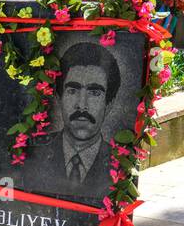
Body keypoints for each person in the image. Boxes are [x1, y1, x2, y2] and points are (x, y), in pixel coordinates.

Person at [25, 39, 121, 203]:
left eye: (94, 93)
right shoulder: (32, 152)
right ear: (58, 97)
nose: (82, 106)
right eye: (72, 90)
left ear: (109, 105)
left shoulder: (119, 162)